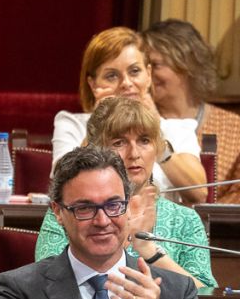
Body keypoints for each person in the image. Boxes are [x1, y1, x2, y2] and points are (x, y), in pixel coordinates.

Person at [0, 146, 207, 299]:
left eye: (114, 205)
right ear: (58, 212)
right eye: (85, 208)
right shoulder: (22, 289)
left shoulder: (176, 290)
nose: (102, 221)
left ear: (128, 207)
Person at [36, 97, 215, 289]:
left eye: (144, 141)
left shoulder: (185, 220)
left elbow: (207, 294)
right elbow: (46, 283)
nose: (134, 154)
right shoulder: (69, 212)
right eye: (119, 142)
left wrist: (151, 252)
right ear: (97, 150)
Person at [51, 27, 206, 204]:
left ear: (148, 75)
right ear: (93, 84)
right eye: (112, 76)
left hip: (162, 219)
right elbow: (62, 185)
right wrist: (98, 127)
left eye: (134, 71)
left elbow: (199, 194)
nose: (126, 83)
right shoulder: (71, 124)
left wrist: (155, 133)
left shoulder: (178, 128)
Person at [142, 19, 240, 204]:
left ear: (188, 64)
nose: (147, 75)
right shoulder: (138, 122)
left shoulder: (234, 128)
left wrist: (196, 216)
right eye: (143, 67)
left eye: (155, 65)